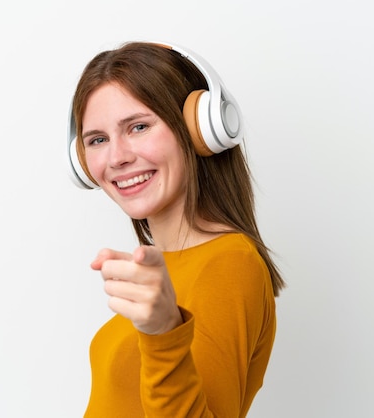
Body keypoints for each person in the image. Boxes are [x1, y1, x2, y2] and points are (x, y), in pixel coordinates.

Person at [67, 41, 286, 417]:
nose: (117, 157)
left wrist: (165, 332)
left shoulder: (229, 265)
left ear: (201, 130)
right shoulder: (160, 272)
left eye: (138, 127)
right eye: (98, 140)